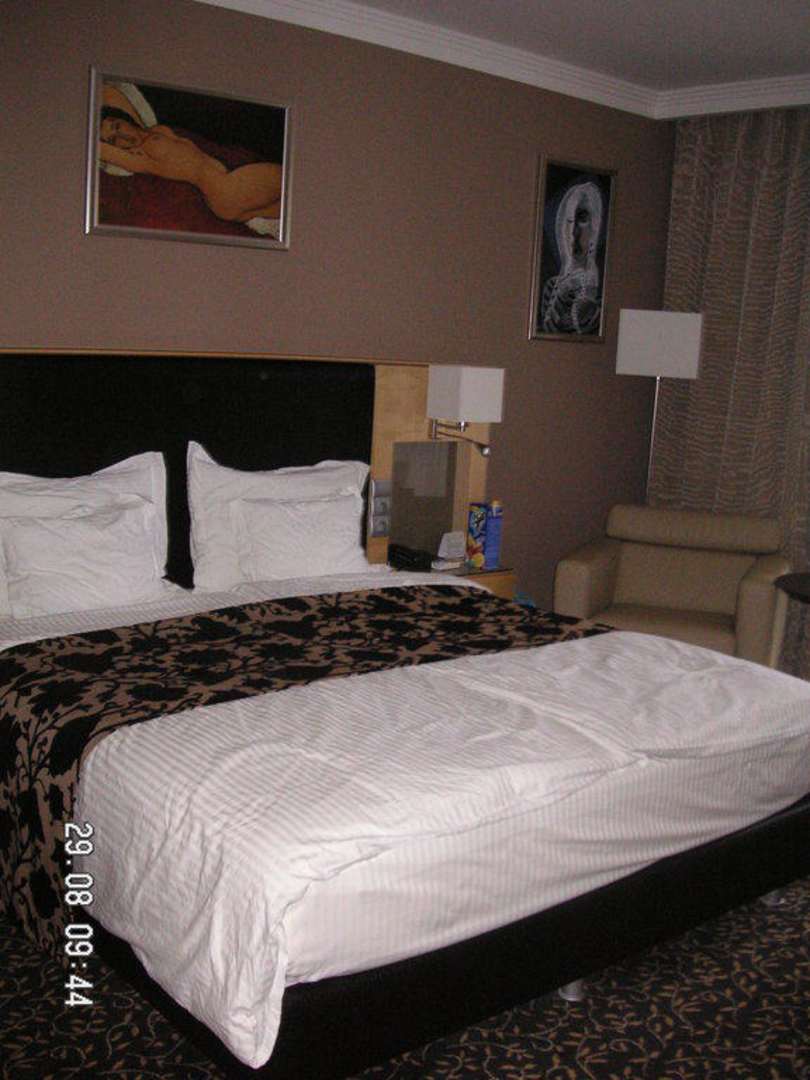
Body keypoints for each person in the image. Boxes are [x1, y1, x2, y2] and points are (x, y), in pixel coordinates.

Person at [98, 106, 282, 226]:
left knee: (292, 211)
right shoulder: (140, 157)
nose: (122, 137)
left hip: (224, 201)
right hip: (226, 190)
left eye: (117, 126)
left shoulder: (156, 130)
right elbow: (101, 150)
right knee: (291, 180)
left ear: (124, 119)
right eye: (113, 140)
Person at [540, 178, 605, 335]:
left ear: (595, 225)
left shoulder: (605, 288)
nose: (574, 232)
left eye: (582, 220)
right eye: (569, 221)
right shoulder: (552, 286)